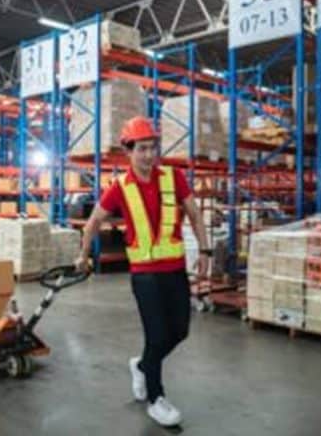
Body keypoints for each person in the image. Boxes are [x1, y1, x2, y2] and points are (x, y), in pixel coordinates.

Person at [74, 116, 211, 427]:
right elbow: (93, 222)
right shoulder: (120, 187)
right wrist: (83, 255)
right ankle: (156, 398)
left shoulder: (173, 177)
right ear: (129, 151)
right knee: (157, 334)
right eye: (142, 149)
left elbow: (195, 215)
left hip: (174, 269)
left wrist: (205, 251)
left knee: (180, 331)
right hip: (144, 275)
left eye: (153, 148)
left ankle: (142, 366)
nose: (149, 155)